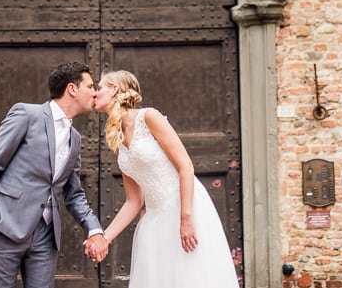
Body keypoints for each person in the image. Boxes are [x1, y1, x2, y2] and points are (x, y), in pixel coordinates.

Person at [85, 70, 238, 287]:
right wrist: (105, 237)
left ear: (115, 90)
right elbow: (134, 201)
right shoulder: (117, 139)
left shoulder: (148, 117)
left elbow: (185, 165)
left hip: (184, 207)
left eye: (99, 88)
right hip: (155, 219)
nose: (95, 94)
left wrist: (185, 218)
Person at [0, 61, 110, 288]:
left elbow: (73, 194)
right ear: (72, 89)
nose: (95, 93)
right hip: (6, 226)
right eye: (90, 86)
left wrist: (94, 229)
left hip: (46, 235)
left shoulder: (75, 138)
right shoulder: (26, 115)